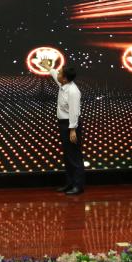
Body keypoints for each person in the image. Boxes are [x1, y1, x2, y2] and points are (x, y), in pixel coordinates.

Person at [41, 59, 84, 195]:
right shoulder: (63, 84)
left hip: (71, 125)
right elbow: (54, 74)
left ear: (65, 78)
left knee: (74, 156)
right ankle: (70, 183)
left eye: (60, 73)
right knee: (67, 156)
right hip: (64, 124)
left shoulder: (73, 91)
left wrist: (72, 130)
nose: (57, 73)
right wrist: (48, 67)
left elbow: (74, 112)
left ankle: (78, 185)